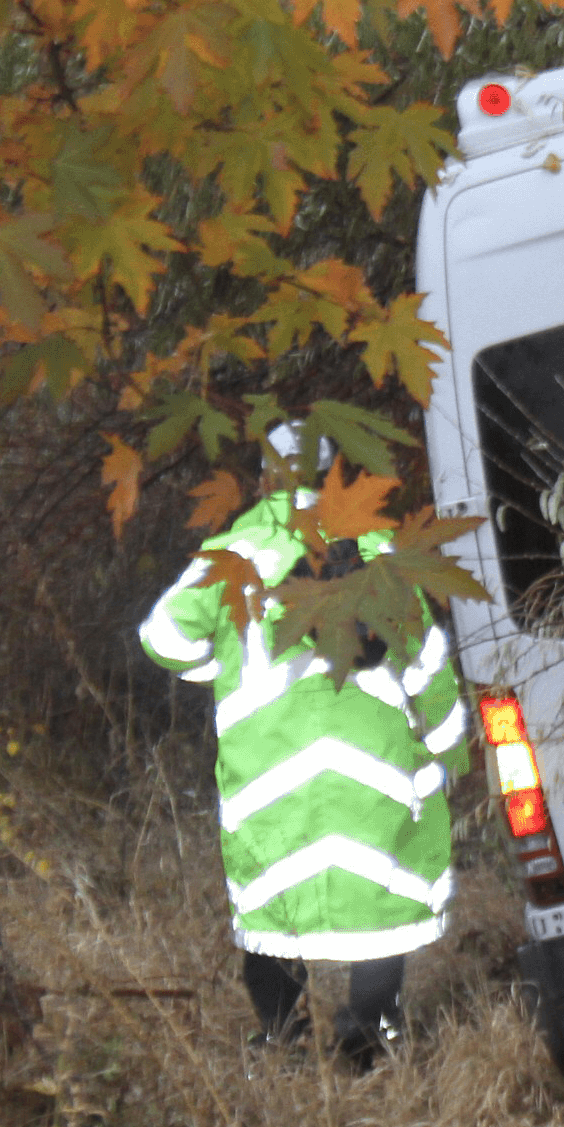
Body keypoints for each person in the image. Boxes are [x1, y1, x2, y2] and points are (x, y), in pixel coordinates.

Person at [136, 424, 469, 1068]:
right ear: (335, 473)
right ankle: (369, 1037)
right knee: (381, 899)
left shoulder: (233, 556)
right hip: (373, 772)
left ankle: (282, 1040)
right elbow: (429, 669)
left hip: (269, 776)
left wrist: (219, 671)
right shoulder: (381, 554)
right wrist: (449, 750)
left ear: (265, 480)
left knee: (270, 904)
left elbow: (163, 639)